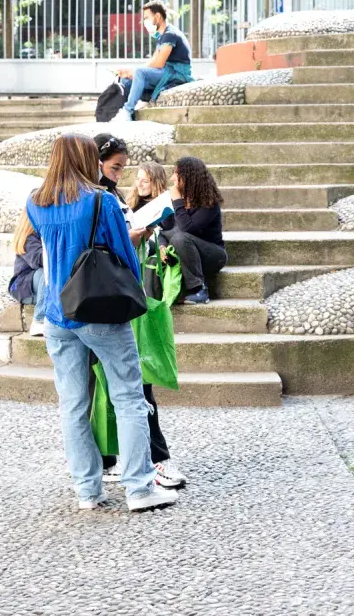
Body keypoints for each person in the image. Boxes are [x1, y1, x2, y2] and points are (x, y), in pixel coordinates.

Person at [25, 134, 177, 512]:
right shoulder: (101, 201)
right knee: (128, 396)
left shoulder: (35, 202)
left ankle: (88, 492)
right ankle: (140, 488)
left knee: (73, 404)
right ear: (87, 159)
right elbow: (125, 256)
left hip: (58, 313)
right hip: (99, 310)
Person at [94, 135, 186, 490]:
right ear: (95, 161)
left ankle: (101, 467)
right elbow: (103, 245)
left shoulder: (94, 195)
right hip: (106, 298)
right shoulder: (96, 198)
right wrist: (132, 237)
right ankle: (153, 465)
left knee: (109, 388)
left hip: (94, 300)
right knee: (136, 387)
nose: (120, 174)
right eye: (115, 167)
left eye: (122, 168)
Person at [163, 156, 228, 305]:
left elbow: (187, 229)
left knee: (180, 238)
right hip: (187, 255)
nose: (172, 178)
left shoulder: (209, 202)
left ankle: (199, 289)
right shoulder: (177, 200)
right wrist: (161, 245)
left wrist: (177, 201)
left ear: (189, 177)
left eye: (176, 174)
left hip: (212, 255)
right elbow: (165, 229)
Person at [114, 0, 194, 121]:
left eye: (147, 18)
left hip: (177, 74)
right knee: (127, 81)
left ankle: (127, 110)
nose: (144, 22)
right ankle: (131, 109)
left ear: (157, 16)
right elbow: (153, 60)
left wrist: (136, 72)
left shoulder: (170, 34)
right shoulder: (162, 36)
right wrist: (132, 73)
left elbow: (159, 63)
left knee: (140, 73)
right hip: (167, 72)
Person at [8, 210, 46, 336]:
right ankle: (39, 320)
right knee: (47, 273)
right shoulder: (29, 237)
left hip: (38, 291)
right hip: (22, 286)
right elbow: (38, 260)